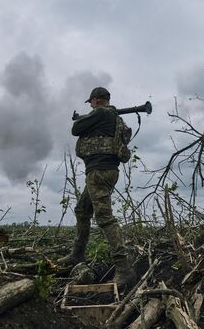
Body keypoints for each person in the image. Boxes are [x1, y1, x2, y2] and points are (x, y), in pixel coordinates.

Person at [58, 86, 136, 288]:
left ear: (96, 101)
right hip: (103, 171)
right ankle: (77, 255)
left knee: (104, 218)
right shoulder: (113, 117)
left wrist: (87, 117)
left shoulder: (101, 113)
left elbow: (75, 129)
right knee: (82, 211)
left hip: (99, 171)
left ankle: (124, 268)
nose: (91, 106)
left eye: (91, 102)